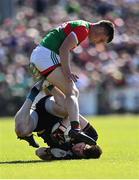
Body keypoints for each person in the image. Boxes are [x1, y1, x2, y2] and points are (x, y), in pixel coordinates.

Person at [29, 19, 115, 143]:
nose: (98, 42)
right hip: (46, 55)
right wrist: (67, 72)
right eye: (101, 39)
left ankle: (55, 130)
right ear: (101, 30)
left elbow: (63, 48)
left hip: (42, 55)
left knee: (61, 97)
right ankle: (74, 129)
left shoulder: (81, 26)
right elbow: (63, 49)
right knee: (73, 92)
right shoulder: (83, 29)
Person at [15, 80, 101, 159]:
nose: (78, 150)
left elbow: (38, 152)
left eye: (80, 153)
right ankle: (46, 84)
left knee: (21, 130)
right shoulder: (92, 136)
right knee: (68, 108)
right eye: (82, 148)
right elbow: (76, 114)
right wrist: (62, 127)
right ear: (88, 143)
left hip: (41, 123)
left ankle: (36, 90)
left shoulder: (68, 154)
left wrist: (49, 152)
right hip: (54, 111)